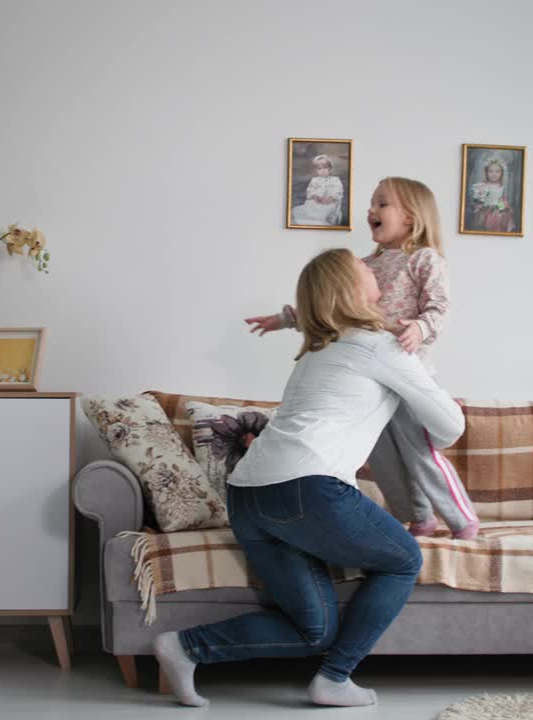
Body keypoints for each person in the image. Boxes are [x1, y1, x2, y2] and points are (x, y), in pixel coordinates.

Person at [156, 248, 465, 708]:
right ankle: (335, 677)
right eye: (363, 266)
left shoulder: (316, 353)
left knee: (313, 629)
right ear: (350, 285)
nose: (371, 265)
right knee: (403, 559)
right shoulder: (380, 346)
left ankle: (184, 646)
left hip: (248, 497)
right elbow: (451, 426)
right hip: (308, 489)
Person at [248, 176, 480, 540]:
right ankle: (418, 516)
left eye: (382, 204)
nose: (370, 210)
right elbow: (334, 303)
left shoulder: (424, 259)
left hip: (409, 369)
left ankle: (462, 518)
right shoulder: (366, 263)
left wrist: (420, 328)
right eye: (372, 203)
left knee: (419, 452)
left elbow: (439, 306)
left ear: (410, 216)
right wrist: (286, 318)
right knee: (385, 457)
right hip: (372, 381)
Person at [466, 155, 517, 233]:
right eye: (491, 171)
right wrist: (480, 206)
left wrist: (502, 208)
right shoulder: (483, 185)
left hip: (497, 209)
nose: (494, 174)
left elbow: (500, 199)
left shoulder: (501, 186)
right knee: (489, 219)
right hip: (485, 209)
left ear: (501, 173)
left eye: (497, 171)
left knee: (501, 216)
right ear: (486, 172)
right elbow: (479, 200)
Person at [290, 154, 344, 225]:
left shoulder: (335, 180)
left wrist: (330, 198)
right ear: (316, 171)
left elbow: (338, 191)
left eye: (325, 168)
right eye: (319, 169)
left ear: (330, 169)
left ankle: (320, 219)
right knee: (308, 206)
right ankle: (312, 218)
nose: (322, 171)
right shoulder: (314, 180)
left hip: (329, 202)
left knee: (326, 209)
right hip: (317, 201)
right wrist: (315, 196)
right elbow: (310, 191)